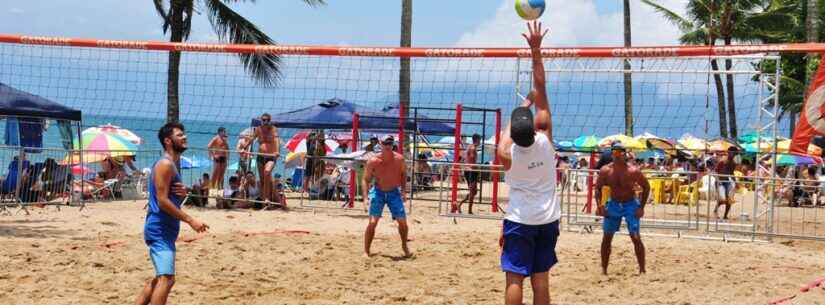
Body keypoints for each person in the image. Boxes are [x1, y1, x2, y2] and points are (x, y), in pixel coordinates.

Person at [495, 21, 558, 305]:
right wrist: (536, 49)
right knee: (541, 280)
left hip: (520, 220)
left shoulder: (507, 157)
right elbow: (541, 86)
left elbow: (502, 142)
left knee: (514, 279)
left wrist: (518, 111)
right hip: (547, 220)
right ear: (534, 129)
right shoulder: (545, 142)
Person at [134, 122, 208, 305]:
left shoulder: (171, 165)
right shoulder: (165, 164)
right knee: (167, 279)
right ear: (168, 141)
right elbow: (162, 201)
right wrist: (191, 220)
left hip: (164, 229)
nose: (184, 137)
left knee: (160, 279)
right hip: (159, 229)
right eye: (179, 135)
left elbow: (167, 196)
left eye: (184, 134)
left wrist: (182, 193)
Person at [595, 142, 650, 275]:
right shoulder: (606, 171)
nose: (617, 154)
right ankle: (604, 270)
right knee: (607, 238)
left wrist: (641, 207)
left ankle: (642, 270)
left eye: (620, 152)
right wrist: (600, 206)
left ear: (625, 154)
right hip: (613, 203)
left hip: (630, 203)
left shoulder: (633, 171)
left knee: (635, 237)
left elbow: (646, 187)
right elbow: (598, 188)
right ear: (612, 153)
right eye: (615, 152)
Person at [362, 135, 411, 258]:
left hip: (394, 192)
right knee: (372, 222)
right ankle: (366, 251)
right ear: (381, 144)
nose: (388, 146)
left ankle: (404, 246)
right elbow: (365, 179)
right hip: (378, 192)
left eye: (390, 143)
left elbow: (404, 174)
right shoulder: (373, 161)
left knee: (403, 223)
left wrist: (404, 191)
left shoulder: (399, 159)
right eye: (385, 143)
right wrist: (365, 198)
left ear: (392, 144)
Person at [248, 113, 281, 206]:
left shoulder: (273, 129)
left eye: (267, 120)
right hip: (260, 156)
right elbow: (252, 139)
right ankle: (267, 199)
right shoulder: (258, 129)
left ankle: (267, 198)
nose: (265, 122)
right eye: (263, 120)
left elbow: (277, 140)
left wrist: (277, 151)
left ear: (270, 121)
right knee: (263, 180)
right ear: (261, 120)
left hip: (270, 156)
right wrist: (244, 148)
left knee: (267, 172)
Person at [458, 133, 481, 214]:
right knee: (472, 191)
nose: (480, 142)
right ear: (477, 140)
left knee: (474, 192)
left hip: (470, 171)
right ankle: (469, 210)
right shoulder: (472, 148)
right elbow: (471, 161)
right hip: (470, 171)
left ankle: (460, 204)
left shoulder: (470, 147)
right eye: (480, 140)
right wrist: (477, 168)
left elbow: (467, 159)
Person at [713, 147, 738, 219]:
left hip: (727, 182)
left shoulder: (733, 163)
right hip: (720, 181)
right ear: (728, 152)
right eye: (732, 153)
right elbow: (715, 171)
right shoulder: (722, 161)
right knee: (722, 199)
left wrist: (735, 182)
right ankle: (715, 211)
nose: (733, 155)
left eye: (735, 153)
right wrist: (718, 180)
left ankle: (725, 215)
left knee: (729, 199)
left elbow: (731, 173)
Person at [207, 127, 229, 192]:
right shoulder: (216, 138)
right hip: (217, 157)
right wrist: (212, 155)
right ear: (220, 132)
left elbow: (227, 148)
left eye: (225, 132)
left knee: (222, 173)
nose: (225, 133)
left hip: (224, 157)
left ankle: (218, 186)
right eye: (224, 132)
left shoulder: (224, 139)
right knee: (216, 172)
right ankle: (213, 186)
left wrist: (228, 156)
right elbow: (209, 146)